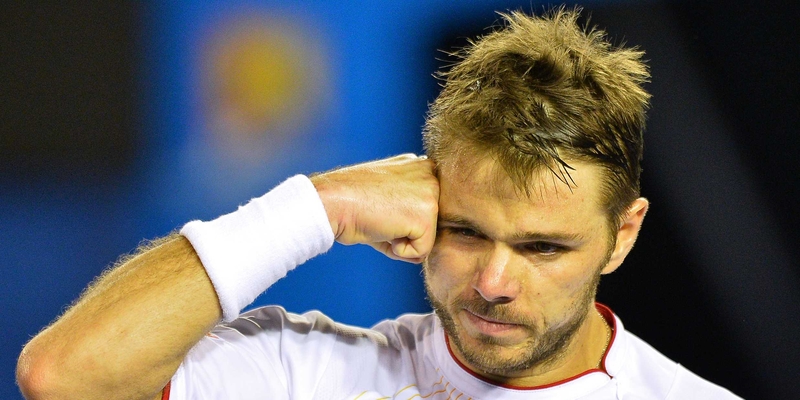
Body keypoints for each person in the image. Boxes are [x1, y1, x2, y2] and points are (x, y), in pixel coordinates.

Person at [16, 8, 740, 400]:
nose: (492, 282)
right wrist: (316, 206)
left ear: (623, 234)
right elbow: (64, 379)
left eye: (542, 247)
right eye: (463, 231)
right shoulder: (301, 375)